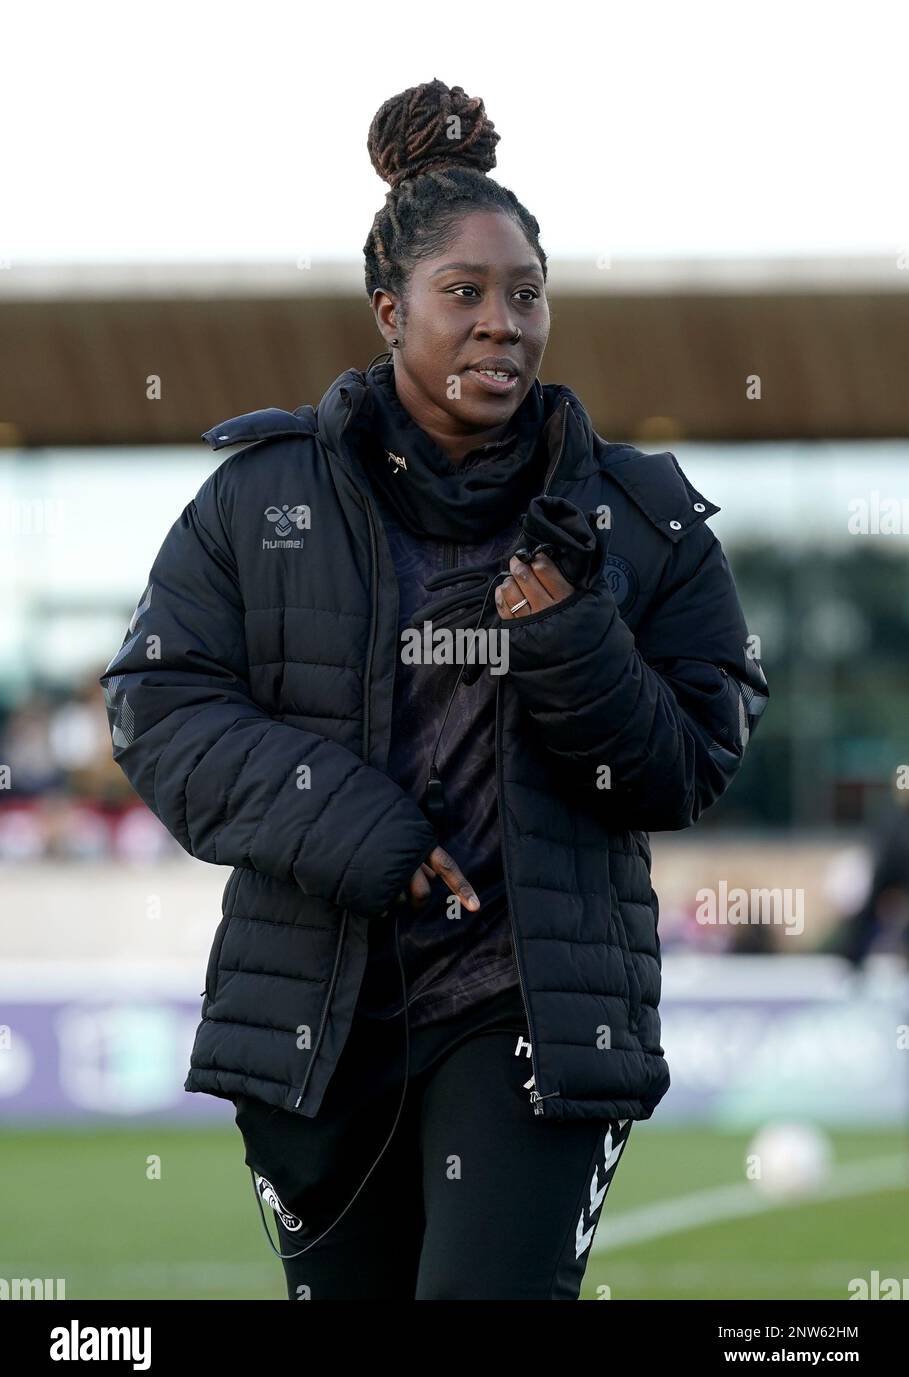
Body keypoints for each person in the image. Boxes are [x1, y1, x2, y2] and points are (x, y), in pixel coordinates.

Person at [99, 78, 769, 1300]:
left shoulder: (642, 520)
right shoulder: (259, 501)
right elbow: (158, 703)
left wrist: (571, 635)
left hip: (536, 1017)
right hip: (317, 1022)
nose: (502, 325)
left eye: (526, 294)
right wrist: (361, 827)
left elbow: (689, 760)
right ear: (387, 309)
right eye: (463, 294)